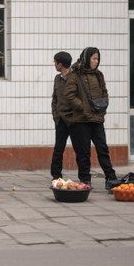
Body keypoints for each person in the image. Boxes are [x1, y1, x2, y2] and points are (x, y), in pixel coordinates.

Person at [64, 47, 118, 189]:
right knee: (83, 152)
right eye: (93, 58)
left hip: (97, 118)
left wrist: (104, 105)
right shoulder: (75, 75)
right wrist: (82, 106)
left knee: (102, 149)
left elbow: (104, 92)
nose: (96, 61)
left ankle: (110, 177)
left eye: (97, 59)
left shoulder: (99, 74)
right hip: (81, 120)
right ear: (86, 58)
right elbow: (69, 95)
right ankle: (85, 179)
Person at [50, 51, 75, 180]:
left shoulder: (75, 77)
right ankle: (56, 175)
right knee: (58, 148)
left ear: (60, 64)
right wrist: (56, 115)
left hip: (74, 120)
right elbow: (55, 99)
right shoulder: (57, 78)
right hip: (60, 119)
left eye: (55, 62)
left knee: (80, 149)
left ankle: (84, 176)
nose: (54, 64)